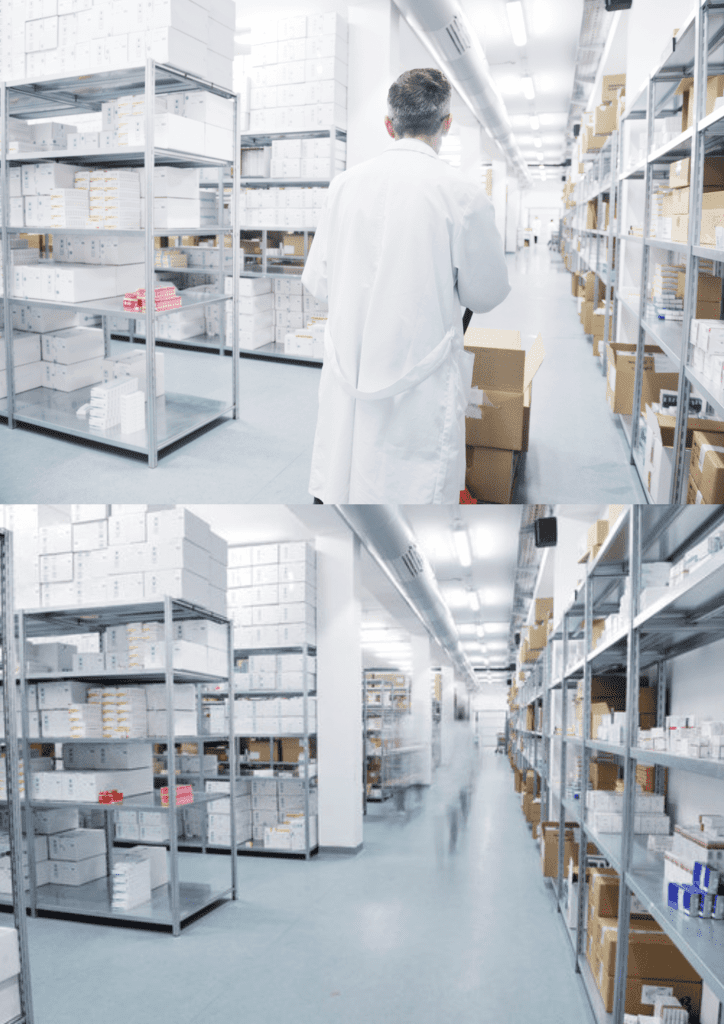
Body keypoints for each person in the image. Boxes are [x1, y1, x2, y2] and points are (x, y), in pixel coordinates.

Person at [302, 68, 510, 504]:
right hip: (420, 379)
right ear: (446, 125)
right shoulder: (462, 193)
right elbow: (485, 294)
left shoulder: (343, 186)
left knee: (345, 476)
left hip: (350, 365)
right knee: (412, 490)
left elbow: (318, 282)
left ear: (388, 125)